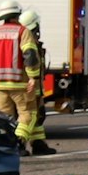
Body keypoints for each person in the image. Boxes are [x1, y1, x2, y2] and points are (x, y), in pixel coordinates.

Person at [0, 0, 52, 157]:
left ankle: (8, 146)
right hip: (19, 83)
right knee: (28, 114)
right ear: (17, 16)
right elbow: (30, 56)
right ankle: (18, 141)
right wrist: (33, 77)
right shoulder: (22, 32)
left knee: (6, 118)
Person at [17, 8, 54, 153]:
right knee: (30, 116)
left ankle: (38, 144)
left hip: (35, 86)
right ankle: (19, 143)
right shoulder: (27, 43)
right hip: (29, 87)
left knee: (38, 116)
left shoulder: (31, 41)